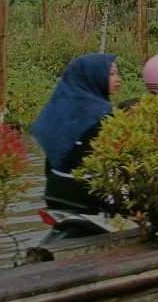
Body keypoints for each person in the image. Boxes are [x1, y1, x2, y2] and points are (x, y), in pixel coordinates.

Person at [31, 53, 122, 211]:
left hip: (53, 190)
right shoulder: (100, 113)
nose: (118, 79)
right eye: (111, 74)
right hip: (85, 195)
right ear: (93, 77)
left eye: (117, 73)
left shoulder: (60, 108)